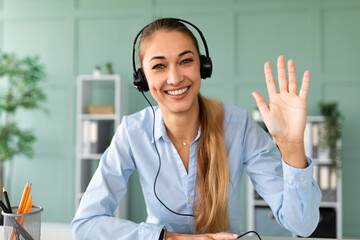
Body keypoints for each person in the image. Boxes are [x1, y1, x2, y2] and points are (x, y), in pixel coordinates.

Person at [71, 18, 321, 240]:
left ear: (203, 66)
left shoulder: (238, 126)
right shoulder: (133, 131)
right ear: (142, 79)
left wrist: (291, 146)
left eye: (186, 61)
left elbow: (302, 224)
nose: (175, 77)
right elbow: (85, 225)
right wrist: (170, 239)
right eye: (159, 66)